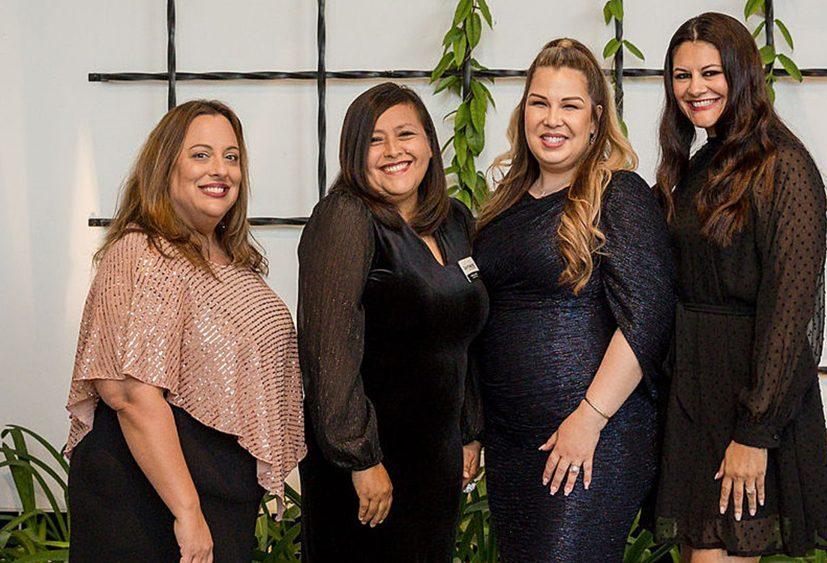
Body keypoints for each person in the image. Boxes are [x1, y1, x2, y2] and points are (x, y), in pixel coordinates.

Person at [65, 100, 305, 563]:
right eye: (201, 154)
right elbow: (129, 394)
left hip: (217, 501)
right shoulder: (143, 252)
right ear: (165, 167)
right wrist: (188, 512)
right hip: (149, 506)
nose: (220, 170)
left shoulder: (231, 262)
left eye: (231, 157)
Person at [471, 38, 675, 562]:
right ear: (523, 113)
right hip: (513, 443)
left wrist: (588, 419)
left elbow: (646, 321)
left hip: (593, 437)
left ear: (595, 118)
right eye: (539, 103)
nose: (552, 119)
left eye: (570, 105)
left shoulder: (619, 194)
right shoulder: (503, 204)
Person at [653, 13, 827, 561]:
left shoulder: (785, 168)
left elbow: (791, 312)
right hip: (693, 394)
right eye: (681, 76)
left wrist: (756, 432)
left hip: (748, 401)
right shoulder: (697, 165)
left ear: (742, 73)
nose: (695, 89)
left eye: (710, 72)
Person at [296, 82, 489, 562]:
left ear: (428, 143)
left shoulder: (454, 221)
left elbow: (462, 339)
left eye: (405, 134)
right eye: (374, 140)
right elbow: (327, 348)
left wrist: (468, 431)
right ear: (354, 154)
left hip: (434, 459)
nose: (393, 151)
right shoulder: (346, 218)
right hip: (368, 462)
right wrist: (360, 457)